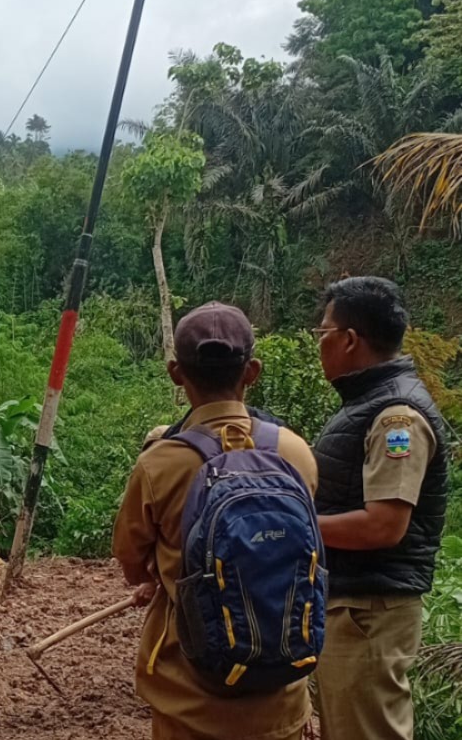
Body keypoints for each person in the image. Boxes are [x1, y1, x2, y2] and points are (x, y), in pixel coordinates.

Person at [112, 302, 318, 740]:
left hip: (189, 697)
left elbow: (131, 567)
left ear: (175, 373)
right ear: (252, 371)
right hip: (280, 693)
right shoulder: (296, 453)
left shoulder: (159, 464)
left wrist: (163, 573)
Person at [313, 277, 448, 740]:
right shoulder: (369, 403)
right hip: (355, 607)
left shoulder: (397, 417)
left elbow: (384, 525)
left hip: (369, 613)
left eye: (322, 333)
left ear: (350, 340)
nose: (320, 345)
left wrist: (298, 525)